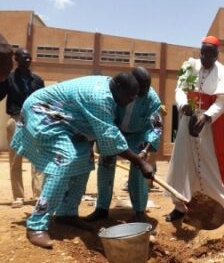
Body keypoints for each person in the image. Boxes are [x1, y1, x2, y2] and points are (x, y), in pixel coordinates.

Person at [11, 73, 154, 249]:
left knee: (85, 160)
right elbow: (109, 136)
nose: (130, 102)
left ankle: (66, 214)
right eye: (129, 97)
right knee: (65, 160)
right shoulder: (100, 97)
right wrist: (140, 162)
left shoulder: (111, 92)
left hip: (66, 120)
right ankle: (36, 224)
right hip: (42, 111)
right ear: (118, 87)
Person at [165, 36, 224, 229]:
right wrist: (183, 106)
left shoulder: (223, 72)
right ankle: (180, 206)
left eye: (210, 55)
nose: (205, 58)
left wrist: (207, 116)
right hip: (187, 121)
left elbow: (222, 101)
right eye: (203, 54)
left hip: (211, 126)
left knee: (216, 166)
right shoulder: (189, 67)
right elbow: (180, 90)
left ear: (217, 55)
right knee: (182, 163)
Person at [85, 67, 162, 223]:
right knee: (105, 165)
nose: (144, 93)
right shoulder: (118, 91)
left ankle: (140, 211)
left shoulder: (152, 99)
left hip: (138, 136)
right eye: (141, 89)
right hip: (115, 131)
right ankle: (102, 208)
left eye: (147, 88)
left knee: (139, 170)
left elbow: (155, 127)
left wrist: (145, 151)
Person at [0, 48, 44, 208]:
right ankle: (18, 197)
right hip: (16, 118)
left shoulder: (38, 80)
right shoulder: (9, 78)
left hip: (35, 120)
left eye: (29, 58)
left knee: (38, 159)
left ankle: (38, 195)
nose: (28, 61)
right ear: (16, 59)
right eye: (24, 58)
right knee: (15, 159)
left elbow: (44, 102)